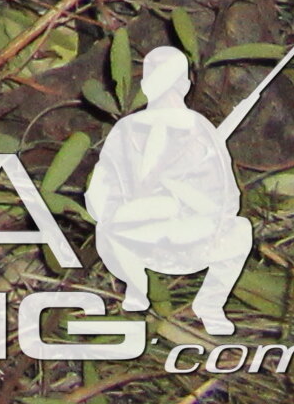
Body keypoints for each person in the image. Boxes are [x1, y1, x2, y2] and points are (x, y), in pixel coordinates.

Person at [86, 40, 263, 334]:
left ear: (184, 84)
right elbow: (102, 188)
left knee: (240, 230)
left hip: (192, 235)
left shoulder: (200, 130)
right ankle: (136, 289)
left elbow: (227, 198)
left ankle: (209, 304)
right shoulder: (129, 129)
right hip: (137, 237)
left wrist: (184, 190)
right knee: (113, 227)